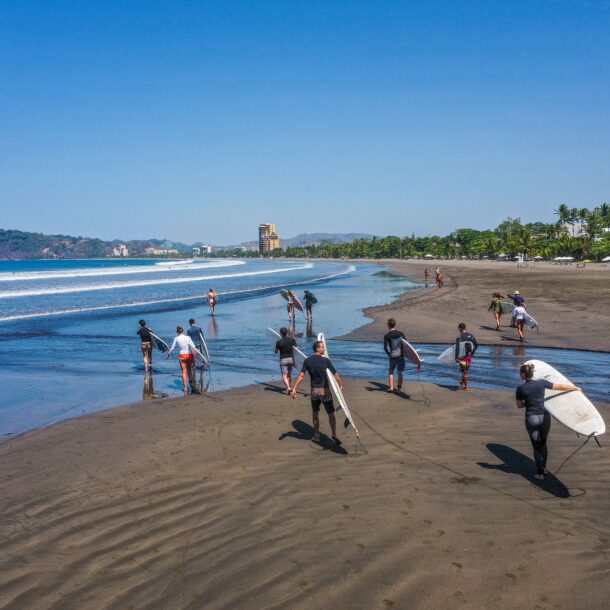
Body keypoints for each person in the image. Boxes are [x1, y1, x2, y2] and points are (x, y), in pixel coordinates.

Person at [516, 363, 581, 480]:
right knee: (543, 444)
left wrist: (529, 402)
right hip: (544, 417)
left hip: (532, 418)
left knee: (536, 446)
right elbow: (559, 387)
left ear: (522, 375)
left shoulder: (520, 388)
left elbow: (519, 405)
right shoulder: (541, 383)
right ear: (532, 373)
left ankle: (539, 473)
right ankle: (544, 468)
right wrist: (575, 388)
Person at [291, 340, 343, 445]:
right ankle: (334, 434)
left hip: (314, 390)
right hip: (325, 390)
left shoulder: (307, 361)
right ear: (317, 349)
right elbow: (335, 374)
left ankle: (316, 435)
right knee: (331, 413)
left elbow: (301, 375)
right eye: (322, 347)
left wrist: (295, 388)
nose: (324, 349)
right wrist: (341, 384)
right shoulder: (325, 361)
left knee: (315, 413)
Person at [167, 326, 197, 396]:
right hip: (189, 355)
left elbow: (172, 348)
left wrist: (168, 353)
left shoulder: (176, 338)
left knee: (184, 371)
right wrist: (196, 355)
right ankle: (192, 386)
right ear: (183, 331)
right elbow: (193, 347)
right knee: (189, 371)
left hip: (182, 355)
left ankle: (185, 388)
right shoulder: (188, 337)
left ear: (177, 332)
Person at [383, 318, 406, 392]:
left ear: (388, 325)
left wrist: (389, 354)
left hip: (392, 356)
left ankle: (391, 387)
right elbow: (406, 344)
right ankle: (399, 388)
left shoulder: (387, 335)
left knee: (391, 371)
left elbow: (385, 348)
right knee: (400, 372)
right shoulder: (401, 333)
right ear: (394, 324)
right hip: (401, 356)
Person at [455, 323, 478, 390]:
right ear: (465, 328)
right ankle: (462, 382)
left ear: (460, 328)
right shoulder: (471, 336)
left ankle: (466, 386)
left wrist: (456, 358)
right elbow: (476, 345)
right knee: (465, 371)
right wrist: (472, 353)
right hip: (469, 357)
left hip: (462, 357)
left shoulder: (459, 337)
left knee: (464, 372)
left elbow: (457, 348)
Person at [274, 327, 298, 394]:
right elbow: (297, 348)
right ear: (287, 332)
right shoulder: (292, 340)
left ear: (281, 333)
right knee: (289, 374)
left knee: (284, 375)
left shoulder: (278, 342)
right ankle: (288, 388)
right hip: (291, 359)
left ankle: (288, 387)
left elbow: (276, 351)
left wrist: (276, 348)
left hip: (283, 359)